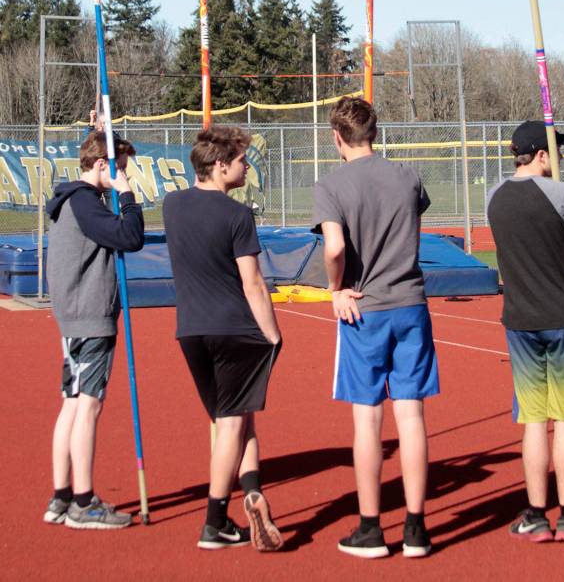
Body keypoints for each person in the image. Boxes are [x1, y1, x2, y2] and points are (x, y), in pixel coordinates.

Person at [312, 96, 438, 559]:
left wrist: (335, 288)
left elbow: (334, 248)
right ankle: (416, 527)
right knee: (411, 415)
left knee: (368, 417)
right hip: (410, 304)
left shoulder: (331, 184)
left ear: (337, 137)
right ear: (375, 133)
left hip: (365, 308)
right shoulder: (407, 176)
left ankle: (370, 527)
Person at [163, 125, 283, 553]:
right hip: (235, 329)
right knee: (233, 422)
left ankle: (252, 489)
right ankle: (214, 521)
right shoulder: (237, 215)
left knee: (237, 416)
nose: (245, 166)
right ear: (219, 166)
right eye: (239, 161)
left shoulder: (172, 205)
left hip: (191, 330)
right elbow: (253, 283)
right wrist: (273, 334)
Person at [486, 120, 564, 543]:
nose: (561, 158)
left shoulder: (493, 197)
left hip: (521, 318)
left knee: (534, 420)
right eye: (557, 150)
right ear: (540, 155)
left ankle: (536, 513)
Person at [44, 130, 145, 529]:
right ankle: (83, 502)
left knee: (72, 402)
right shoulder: (86, 203)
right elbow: (130, 236)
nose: (125, 174)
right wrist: (127, 196)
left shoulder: (80, 200)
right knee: (88, 404)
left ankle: (61, 496)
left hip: (76, 316)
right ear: (102, 165)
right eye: (120, 168)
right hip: (88, 316)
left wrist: (98, 128)